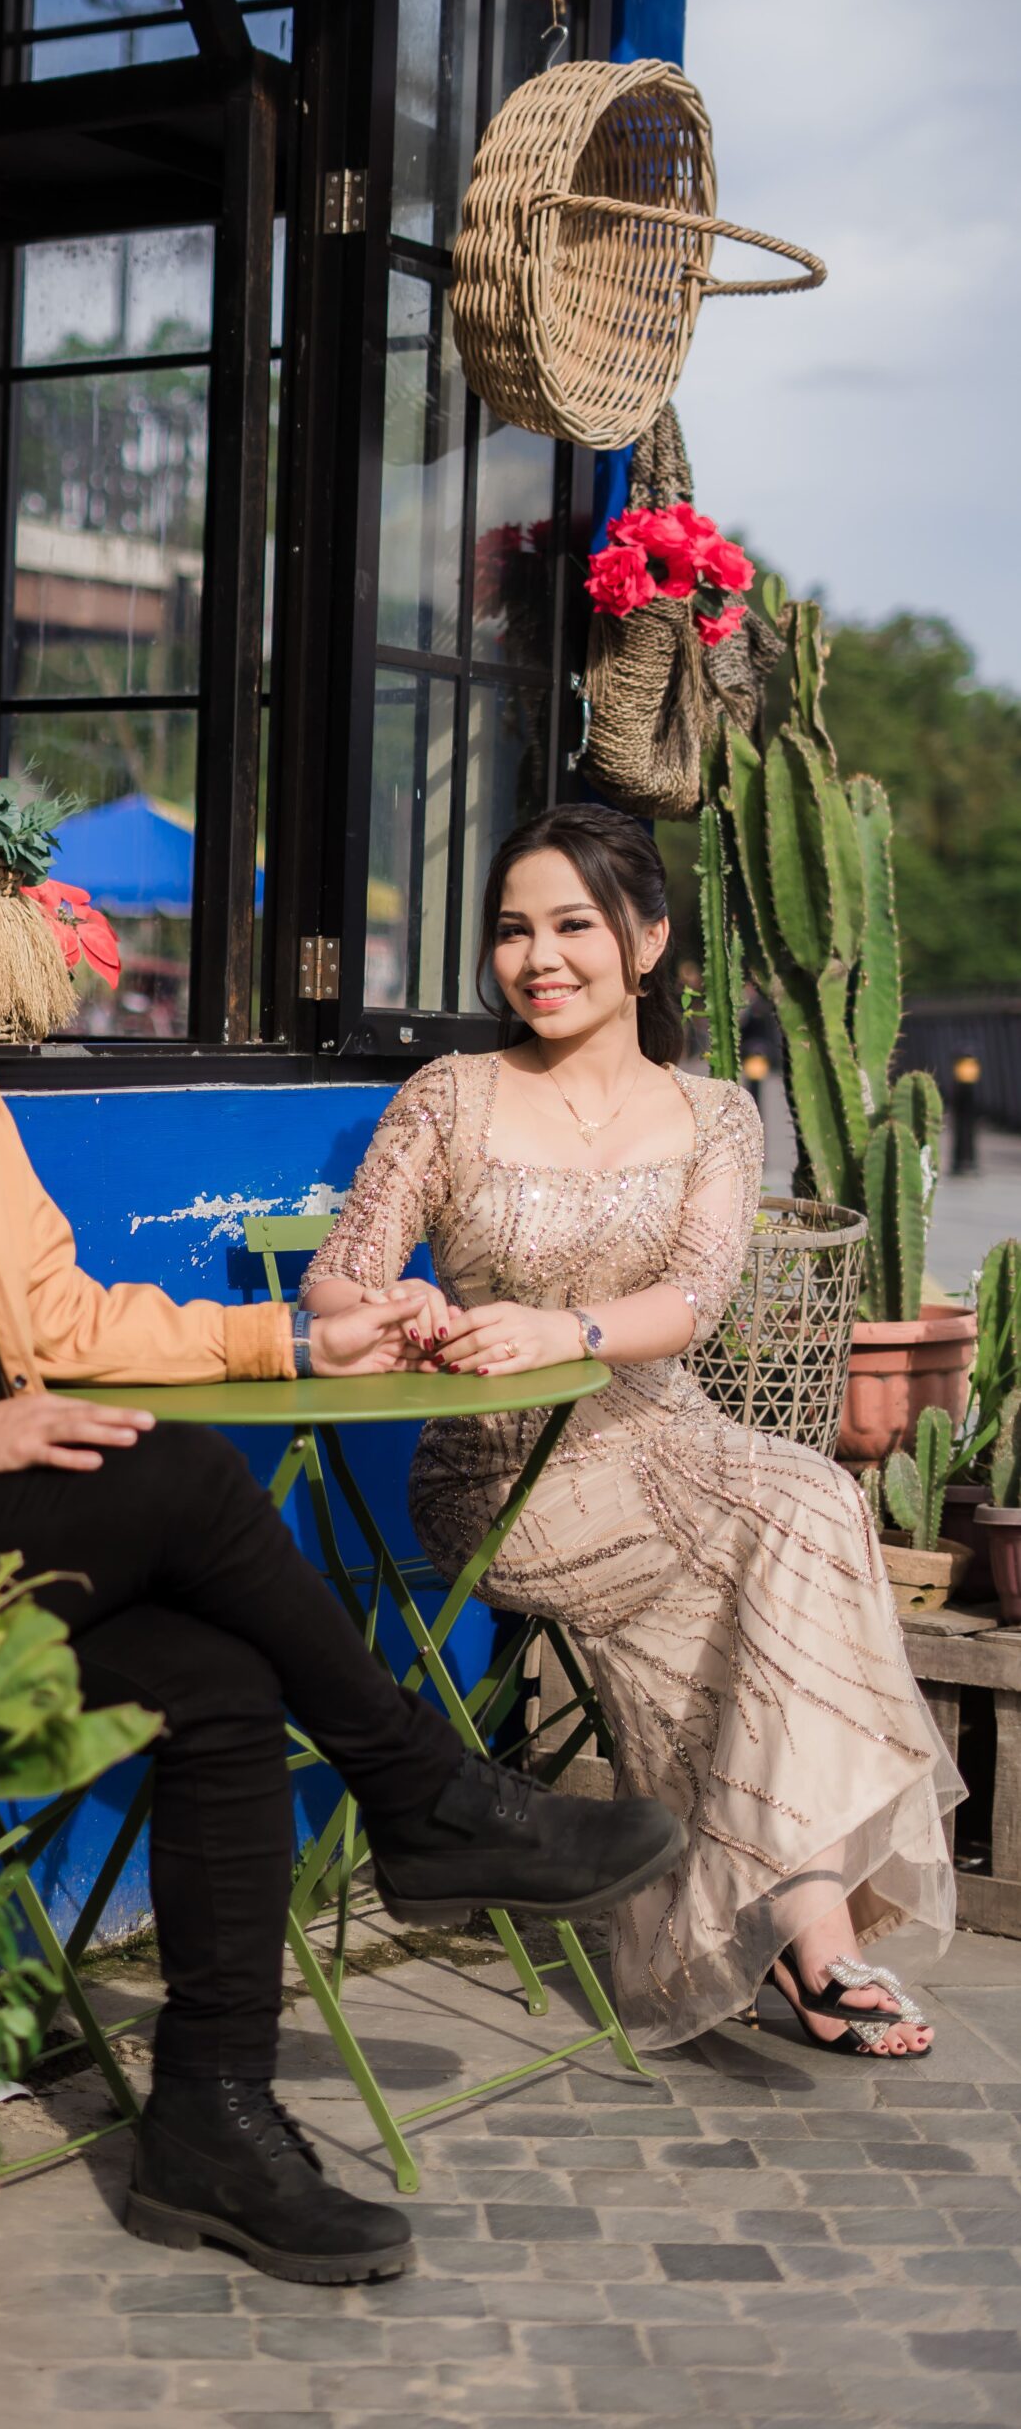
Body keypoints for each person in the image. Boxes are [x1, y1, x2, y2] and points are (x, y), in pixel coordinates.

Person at [0, 735, 684, 2286]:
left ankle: (210, 2120)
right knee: (184, 1474)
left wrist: (292, 1342)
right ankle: (425, 1795)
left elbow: (63, 1316)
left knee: (221, 1683)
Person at [303, 805, 962, 2064]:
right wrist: (401, 1307)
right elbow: (337, 1280)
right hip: (504, 1472)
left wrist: (565, 1330)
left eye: (574, 926)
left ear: (648, 941)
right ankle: (813, 1941)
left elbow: (697, 1297)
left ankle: (793, 1931)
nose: (539, 958)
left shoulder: (713, 1112)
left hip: (666, 1436)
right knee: (786, 1528)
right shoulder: (450, 1096)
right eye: (513, 930)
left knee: (804, 1504)